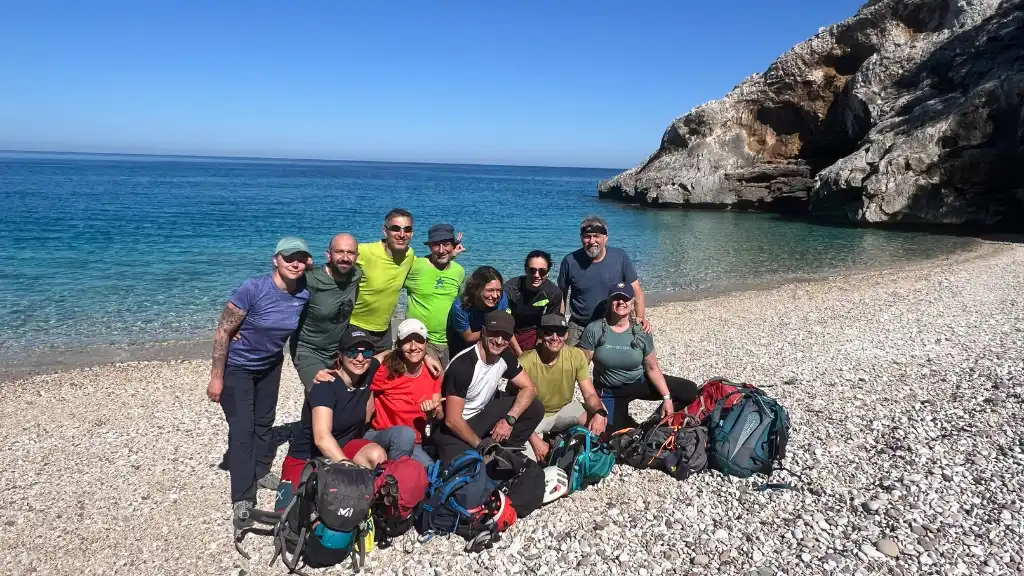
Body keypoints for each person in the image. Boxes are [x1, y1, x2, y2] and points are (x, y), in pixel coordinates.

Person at [206, 236, 311, 529]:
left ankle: (261, 469)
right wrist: (216, 376)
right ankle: (243, 497)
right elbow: (223, 331)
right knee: (242, 430)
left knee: (264, 422)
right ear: (275, 259)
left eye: (301, 258)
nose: (295, 263)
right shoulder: (253, 288)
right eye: (288, 257)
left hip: (270, 365)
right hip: (238, 368)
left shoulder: (304, 292)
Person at [577, 282, 698, 432]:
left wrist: (667, 398)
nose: (621, 301)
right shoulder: (594, 329)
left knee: (689, 390)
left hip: (639, 382)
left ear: (632, 303)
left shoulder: (641, 330)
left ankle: (652, 424)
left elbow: (652, 368)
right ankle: (629, 425)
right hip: (609, 391)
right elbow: (581, 370)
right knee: (610, 436)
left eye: (626, 298)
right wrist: (595, 405)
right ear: (609, 301)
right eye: (616, 298)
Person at [280, 327, 389, 491]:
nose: (360, 358)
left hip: (343, 448)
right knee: (293, 513)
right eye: (352, 352)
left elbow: (388, 354)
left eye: (366, 353)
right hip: (307, 457)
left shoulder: (367, 371)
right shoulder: (325, 385)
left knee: (376, 455)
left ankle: (370, 501)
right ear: (341, 354)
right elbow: (322, 438)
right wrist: (348, 467)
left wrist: (428, 357)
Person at [434, 311, 545, 463]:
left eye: (505, 336)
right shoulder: (464, 366)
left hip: (481, 414)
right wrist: (481, 446)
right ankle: (487, 452)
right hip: (457, 425)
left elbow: (530, 388)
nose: (499, 341)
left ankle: (505, 451)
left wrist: (509, 420)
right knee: (460, 464)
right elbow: (452, 420)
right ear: (483, 331)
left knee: (535, 407)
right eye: (494, 333)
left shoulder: (505, 356)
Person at [519, 314, 607, 462]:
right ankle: (548, 441)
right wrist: (535, 441)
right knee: (528, 459)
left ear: (566, 335)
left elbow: (590, 394)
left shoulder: (576, 356)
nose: (555, 338)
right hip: (532, 418)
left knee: (598, 418)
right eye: (549, 332)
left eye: (559, 332)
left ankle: (564, 441)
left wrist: (600, 413)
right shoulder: (525, 361)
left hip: (562, 410)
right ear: (540, 334)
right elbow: (513, 406)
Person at [557, 215, 650, 347]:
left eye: (597, 236)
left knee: (613, 364)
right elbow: (561, 295)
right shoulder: (570, 261)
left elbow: (637, 292)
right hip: (579, 325)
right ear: (581, 238)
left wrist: (640, 317)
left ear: (606, 238)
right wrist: (559, 322)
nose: (592, 241)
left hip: (613, 323)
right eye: (587, 236)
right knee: (570, 365)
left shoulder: (620, 257)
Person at [363, 318, 443, 467]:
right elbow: (358, 364)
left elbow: (439, 415)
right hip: (381, 435)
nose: (413, 347)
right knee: (405, 435)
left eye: (419, 341)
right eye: (407, 341)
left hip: (414, 443)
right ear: (399, 345)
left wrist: (431, 412)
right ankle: (390, 480)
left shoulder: (432, 372)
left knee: (430, 472)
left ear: (426, 343)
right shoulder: (386, 369)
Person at [290, 233, 361, 393]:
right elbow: (276, 293)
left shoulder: (356, 274)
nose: (345, 257)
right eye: (339, 252)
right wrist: (244, 323)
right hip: (308, 350)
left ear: (357, 256)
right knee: (322, 392)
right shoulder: (310, 280)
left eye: (350, 252)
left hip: (337, 351)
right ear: (328, 254)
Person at [349, 208, 417, 353]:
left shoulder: (409, 255)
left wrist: (449, 256)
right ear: (385, 232)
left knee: (381, 373)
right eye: (395, 229)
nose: (401, 234)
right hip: (355, 325)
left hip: (384, 330)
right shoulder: (365, 252)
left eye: (407, 230)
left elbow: (426, 266)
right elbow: (338, 259)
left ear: (412, 233)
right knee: (356, 371)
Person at [404, 223, 466, 366]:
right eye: (436, 245)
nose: (441, 250)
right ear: (429, 246)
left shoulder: (459, 271)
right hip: (421, 340)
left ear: (453, 245)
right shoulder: (416, 266)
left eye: (446, 244)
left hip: (449, 341)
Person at [503, 250, 563, 354]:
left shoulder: (553, 292)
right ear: (526, 269)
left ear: (548, 272)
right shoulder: (510, 288)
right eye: (532, 270)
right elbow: (503, 322)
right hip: (509, 331)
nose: (536, 275)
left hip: (534, 331)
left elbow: (548, 325)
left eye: (542, 271)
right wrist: (519, 352)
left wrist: (536, 350)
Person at [446, 266, 512, 358]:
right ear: (476, 289)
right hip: (462, 347)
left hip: (490, 343)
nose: (495, 295)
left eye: (498, 290)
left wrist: (519, 352)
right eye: (490, 290)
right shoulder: (460, 306)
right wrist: (494, 328)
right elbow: (469, 337)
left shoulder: (502, 298)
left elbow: (505, 328)